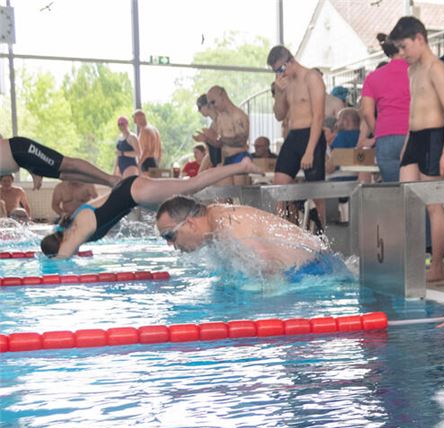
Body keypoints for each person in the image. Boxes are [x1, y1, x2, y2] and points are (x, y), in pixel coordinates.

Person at [39, 159, 257, 259]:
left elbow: (62, 259)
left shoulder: (76, 231)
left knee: (192, 185)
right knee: (185, 210)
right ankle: (226, 235)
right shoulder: (70, 229)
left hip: (134, 192)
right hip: (132, 195)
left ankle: (242, 165)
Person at [390, 16, 444, 283]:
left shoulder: (436, 68)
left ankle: (437, 266)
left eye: (405, 47)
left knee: (433, 205)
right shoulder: (412, 70)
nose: (402, 53)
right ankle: (414, 259)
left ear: (420, 39)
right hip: (415, 138)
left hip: (433, 137)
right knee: (407, 201)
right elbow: (412, 112)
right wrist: (407, 145)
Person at [154, 195, 333, 280]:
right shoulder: (213, 225)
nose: (170, 244)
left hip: (316, 270)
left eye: (169, 235)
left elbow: (268, 270)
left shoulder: (226, 225)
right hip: (308, 268)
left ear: (191, 224)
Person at [267, 45, 327, 217]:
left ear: (291, 61)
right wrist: (279, 92)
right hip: (293, 137)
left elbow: (318, 116)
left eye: (281, 69)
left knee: (317, 194)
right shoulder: (287, 84)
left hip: (311, 134)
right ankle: (280, 233)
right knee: (279, 185)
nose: (280, 74)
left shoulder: (311, 77)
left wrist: (309, 151)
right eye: (276, 71)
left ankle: (327, 235)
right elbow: (279, 115)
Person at [357, 33, 410, 183]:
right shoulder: (415, 72)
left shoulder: (373, 77)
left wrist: (378, 133)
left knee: (394, 189)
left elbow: (367, 112)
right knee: (416, 191)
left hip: (385, 136)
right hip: (413, 134)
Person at [0, 134, 118, 190]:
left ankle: (110, 178)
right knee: (64, 175)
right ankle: (108, 183)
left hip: (20, 149)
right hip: (22, 160)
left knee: (67, 164)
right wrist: (30, 168)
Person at [205, 85, 252, 185]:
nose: (213, 107)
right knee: (225, 196)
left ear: (222, 95)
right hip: (226, 159)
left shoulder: (238, 115)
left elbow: (241, 141)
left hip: (239, 157)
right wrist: (208, 139)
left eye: (213, 102)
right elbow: (220, 143)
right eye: (210, 104)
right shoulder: (221, 118)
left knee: (239, 197)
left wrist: (221, 140)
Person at [194, 95, 222, 168]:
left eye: (199, 107)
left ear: (207, 105)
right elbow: (211, 151)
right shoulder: (213, 124)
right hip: (217, 162)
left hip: (224, 161)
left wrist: (206, 139)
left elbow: (222, 144)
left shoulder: (222, 120)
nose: (199, 111)